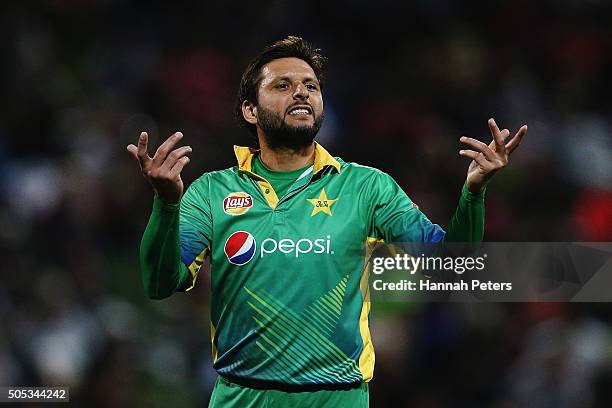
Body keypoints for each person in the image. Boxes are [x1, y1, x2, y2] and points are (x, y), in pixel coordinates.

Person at [127, 36, 527, 407]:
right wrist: (166, 203)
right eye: (282, 85)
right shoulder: (211, 192)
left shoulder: (367, 188)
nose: (301, 91)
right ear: (250, 109)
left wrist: (473, 192)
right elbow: (161, 284)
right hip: (241, 398)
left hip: (338, 398)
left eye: (311, 86)